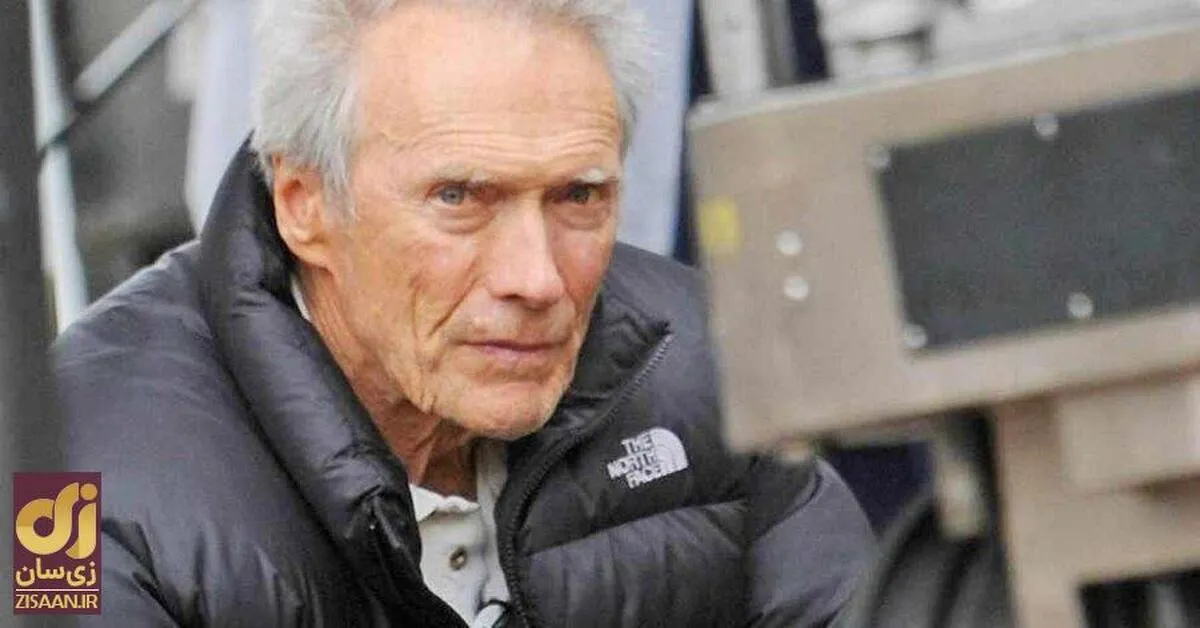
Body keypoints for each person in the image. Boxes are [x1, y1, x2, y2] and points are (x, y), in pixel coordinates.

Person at [54, 0, 874, 625]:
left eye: (578, 196)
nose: (536, 278)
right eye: (459, 198)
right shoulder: (66, 471)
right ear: (303, 203)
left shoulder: (705, 366)